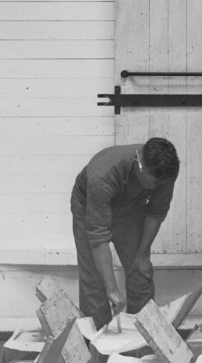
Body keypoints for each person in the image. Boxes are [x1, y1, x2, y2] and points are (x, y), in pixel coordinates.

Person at [71, 137, 180, 328]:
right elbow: (98, 238)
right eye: (153, 182)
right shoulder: (103, 175)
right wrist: (112, 289)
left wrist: (143, 254)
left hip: (129, 207)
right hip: (88, 204)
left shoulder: (165, 173)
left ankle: (144, 338)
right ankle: (99, 347)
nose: (156, 188)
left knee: (141, 271)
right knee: (95, 282)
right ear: (140, 165)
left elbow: (156, 212)